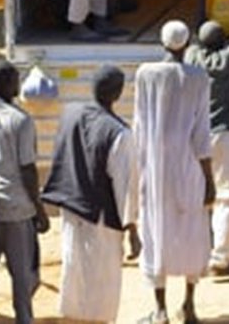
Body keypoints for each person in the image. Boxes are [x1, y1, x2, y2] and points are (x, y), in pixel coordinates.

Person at [42, 65, 140, 324]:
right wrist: (132, 229)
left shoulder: (70, 113)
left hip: (71, 208)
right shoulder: (119, 133)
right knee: (101, 283)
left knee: (74, 271)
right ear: (117, 94)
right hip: (100, 218)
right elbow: (125, 184)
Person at [134, 21, 216, 324]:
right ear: (188, 43)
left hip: (155, 169)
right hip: (190, 167)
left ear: (163, 42)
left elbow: (139, 126)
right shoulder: (198, 78)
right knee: (193, 231)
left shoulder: (145, 74)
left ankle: (160, 309)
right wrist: (209, 181)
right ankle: (190, 305)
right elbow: (202, 134)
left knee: (156, 230)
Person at [0, 61, 49, 324]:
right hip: (16, 208)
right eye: (16, 79)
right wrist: (39, 209)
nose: (19, 84)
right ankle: (24, 319)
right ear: (7, 83)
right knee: (22, 274)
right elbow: (27, 169)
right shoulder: (20, 120)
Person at [184, 22, 229, 276]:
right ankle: (220, 259)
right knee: (228, 196)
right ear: (224, 42)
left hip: (196, 134)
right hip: (226, 134)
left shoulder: (191, 58)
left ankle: (194, 253)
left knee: (197, 195)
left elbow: (192, 37)